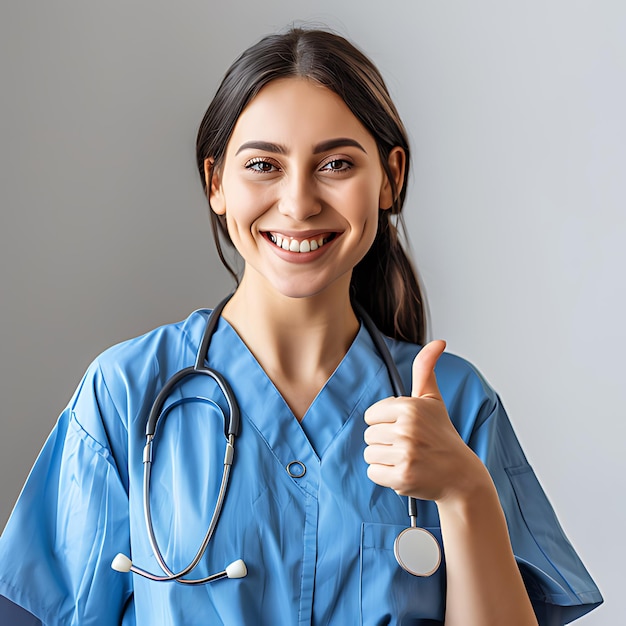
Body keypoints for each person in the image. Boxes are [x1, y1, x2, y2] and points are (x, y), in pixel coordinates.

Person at [0, 27, 602, 626]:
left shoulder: (457, 405)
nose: (298, 202)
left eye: (336, 163)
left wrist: (466, 492)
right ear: (216, 183)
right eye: (263, 164)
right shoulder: (126, 393)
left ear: (390, 177)